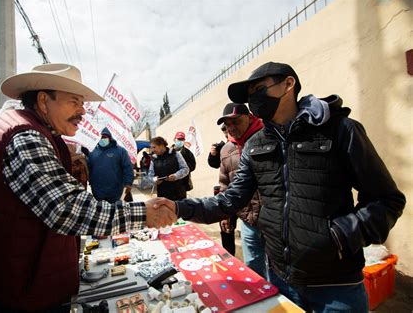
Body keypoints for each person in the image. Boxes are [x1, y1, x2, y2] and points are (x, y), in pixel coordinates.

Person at [154, 62, 405, 312]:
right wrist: (176, 207)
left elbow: (387, 200)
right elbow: (229, 199)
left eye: (260, 89)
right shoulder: (255, 145)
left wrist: (340, 235)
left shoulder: (341, 130)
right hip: (281, 281)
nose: (254, 99)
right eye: (250, 95)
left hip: (336, 286)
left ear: (288, 84)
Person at [0, 63, 176, 313]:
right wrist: (144, 214)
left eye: (82, 103)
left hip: (17, 276)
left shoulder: (17, 128)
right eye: (74, 102)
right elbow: (67, 209)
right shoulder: (25, 137)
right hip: (22, 289)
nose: (82, 112)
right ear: (43, 101)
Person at [216, 103, 265, 279]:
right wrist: (226, 215)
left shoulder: (267, 137)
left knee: (278, 273)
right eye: (228, 124)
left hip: (274, 220)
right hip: (247, 221)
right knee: (253, 268)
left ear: (250, 118)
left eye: (236, 121)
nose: (231, 128)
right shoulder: (226, 150)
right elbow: (225, 185)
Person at [88, 127, 134, 203]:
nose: (102, 139)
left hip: (115, 190)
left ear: (110, 138)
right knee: (101, 212)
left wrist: (128, 183)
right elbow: (89, 168)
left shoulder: (120, 151)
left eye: (104, 137)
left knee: (115, 211)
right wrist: (90, 181)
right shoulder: (92, 152)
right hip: (98, 191)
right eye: (100, 137)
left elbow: (127, 167)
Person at [148, 136, 189, 200]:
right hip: (162, 195)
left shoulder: (175, 154)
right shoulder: (153, 159)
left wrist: (176, 176)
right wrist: (154, 180)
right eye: (151, 147)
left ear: (161, 145)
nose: (152, 150)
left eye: (154, 147)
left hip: (178, 193)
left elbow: (185, 169)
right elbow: (150, 175)